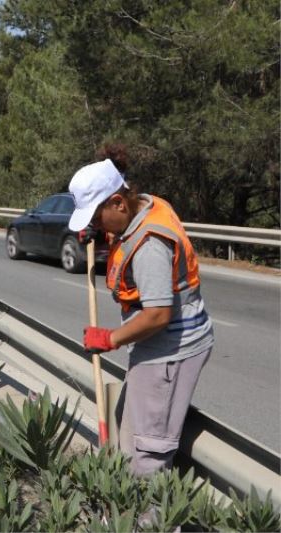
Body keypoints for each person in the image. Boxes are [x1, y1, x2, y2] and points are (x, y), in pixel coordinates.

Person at [68, 144, 214, 477]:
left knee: (148, 454)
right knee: (128, 435)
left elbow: (158, 315)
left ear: (117, 202)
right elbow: (122, 234)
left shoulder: (150, 245)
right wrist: (100, 234)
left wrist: (110, 339)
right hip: (154, 346)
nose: (94, 223)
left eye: (95, 216)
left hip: (170, 351)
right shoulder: (143, 206)